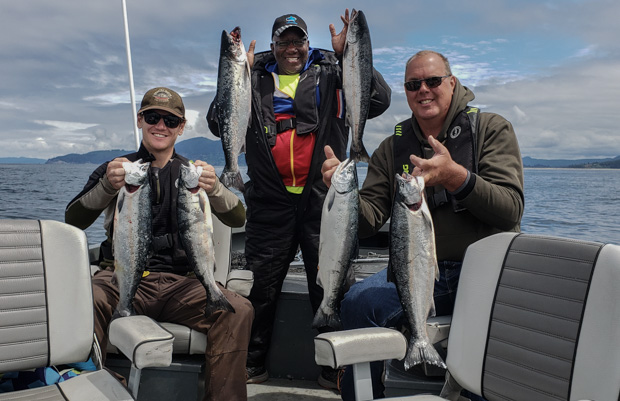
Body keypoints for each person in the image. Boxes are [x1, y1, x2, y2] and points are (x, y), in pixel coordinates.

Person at [321, 50, 524, 400]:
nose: (423, 90)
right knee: (356, 302)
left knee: (484, 354)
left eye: (432, 81)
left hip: (486, 273)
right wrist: (344, 196)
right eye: (414, 84)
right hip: (420, 271)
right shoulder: (392, 147)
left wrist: (456, 178)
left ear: (452, 82)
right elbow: (369, 220)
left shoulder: (490, 129)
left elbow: (510, 209)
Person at [206, 11, 391, 388]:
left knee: (330, 282)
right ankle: (251, 364)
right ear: (273, 45)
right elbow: (216, 121)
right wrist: (235, 75)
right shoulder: (253, 76)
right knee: (260, 287)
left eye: (298, 41)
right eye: (284, 41)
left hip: (324, 200)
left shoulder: (331, 72)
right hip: (269, 200)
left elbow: (379, 100)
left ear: (308, 43)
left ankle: (333, 368)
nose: (292, 48)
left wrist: (346, 56)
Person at [65, 87, 253, 401]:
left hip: (184, 284)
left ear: (181, 127)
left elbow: (237, 218)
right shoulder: (116, 171)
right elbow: (74, 221)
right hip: (123, 279)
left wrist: (217, 189)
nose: (160, 125)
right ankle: (88, 386)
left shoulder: (194, 174)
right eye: (153, 116)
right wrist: (105, 187)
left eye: (170, 120)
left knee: (239, 310)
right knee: (88, 298)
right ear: (140, 120)